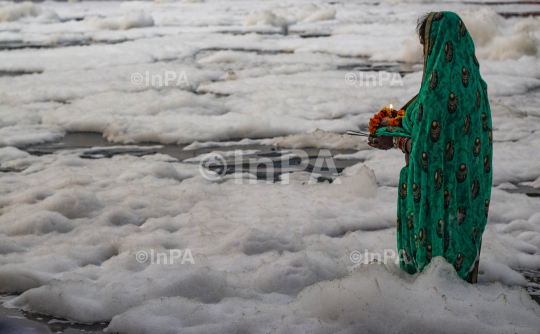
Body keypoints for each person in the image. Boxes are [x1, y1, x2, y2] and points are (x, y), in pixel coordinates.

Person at [368, 11, 492, 283]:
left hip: (439, 199)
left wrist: (394, 139)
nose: (427, 55)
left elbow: (428, 151)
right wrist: (397, 121)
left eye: (428, 47)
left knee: (434, 278)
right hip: (466, 195)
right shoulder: (474, 86)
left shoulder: (435, 95)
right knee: (458, 276)